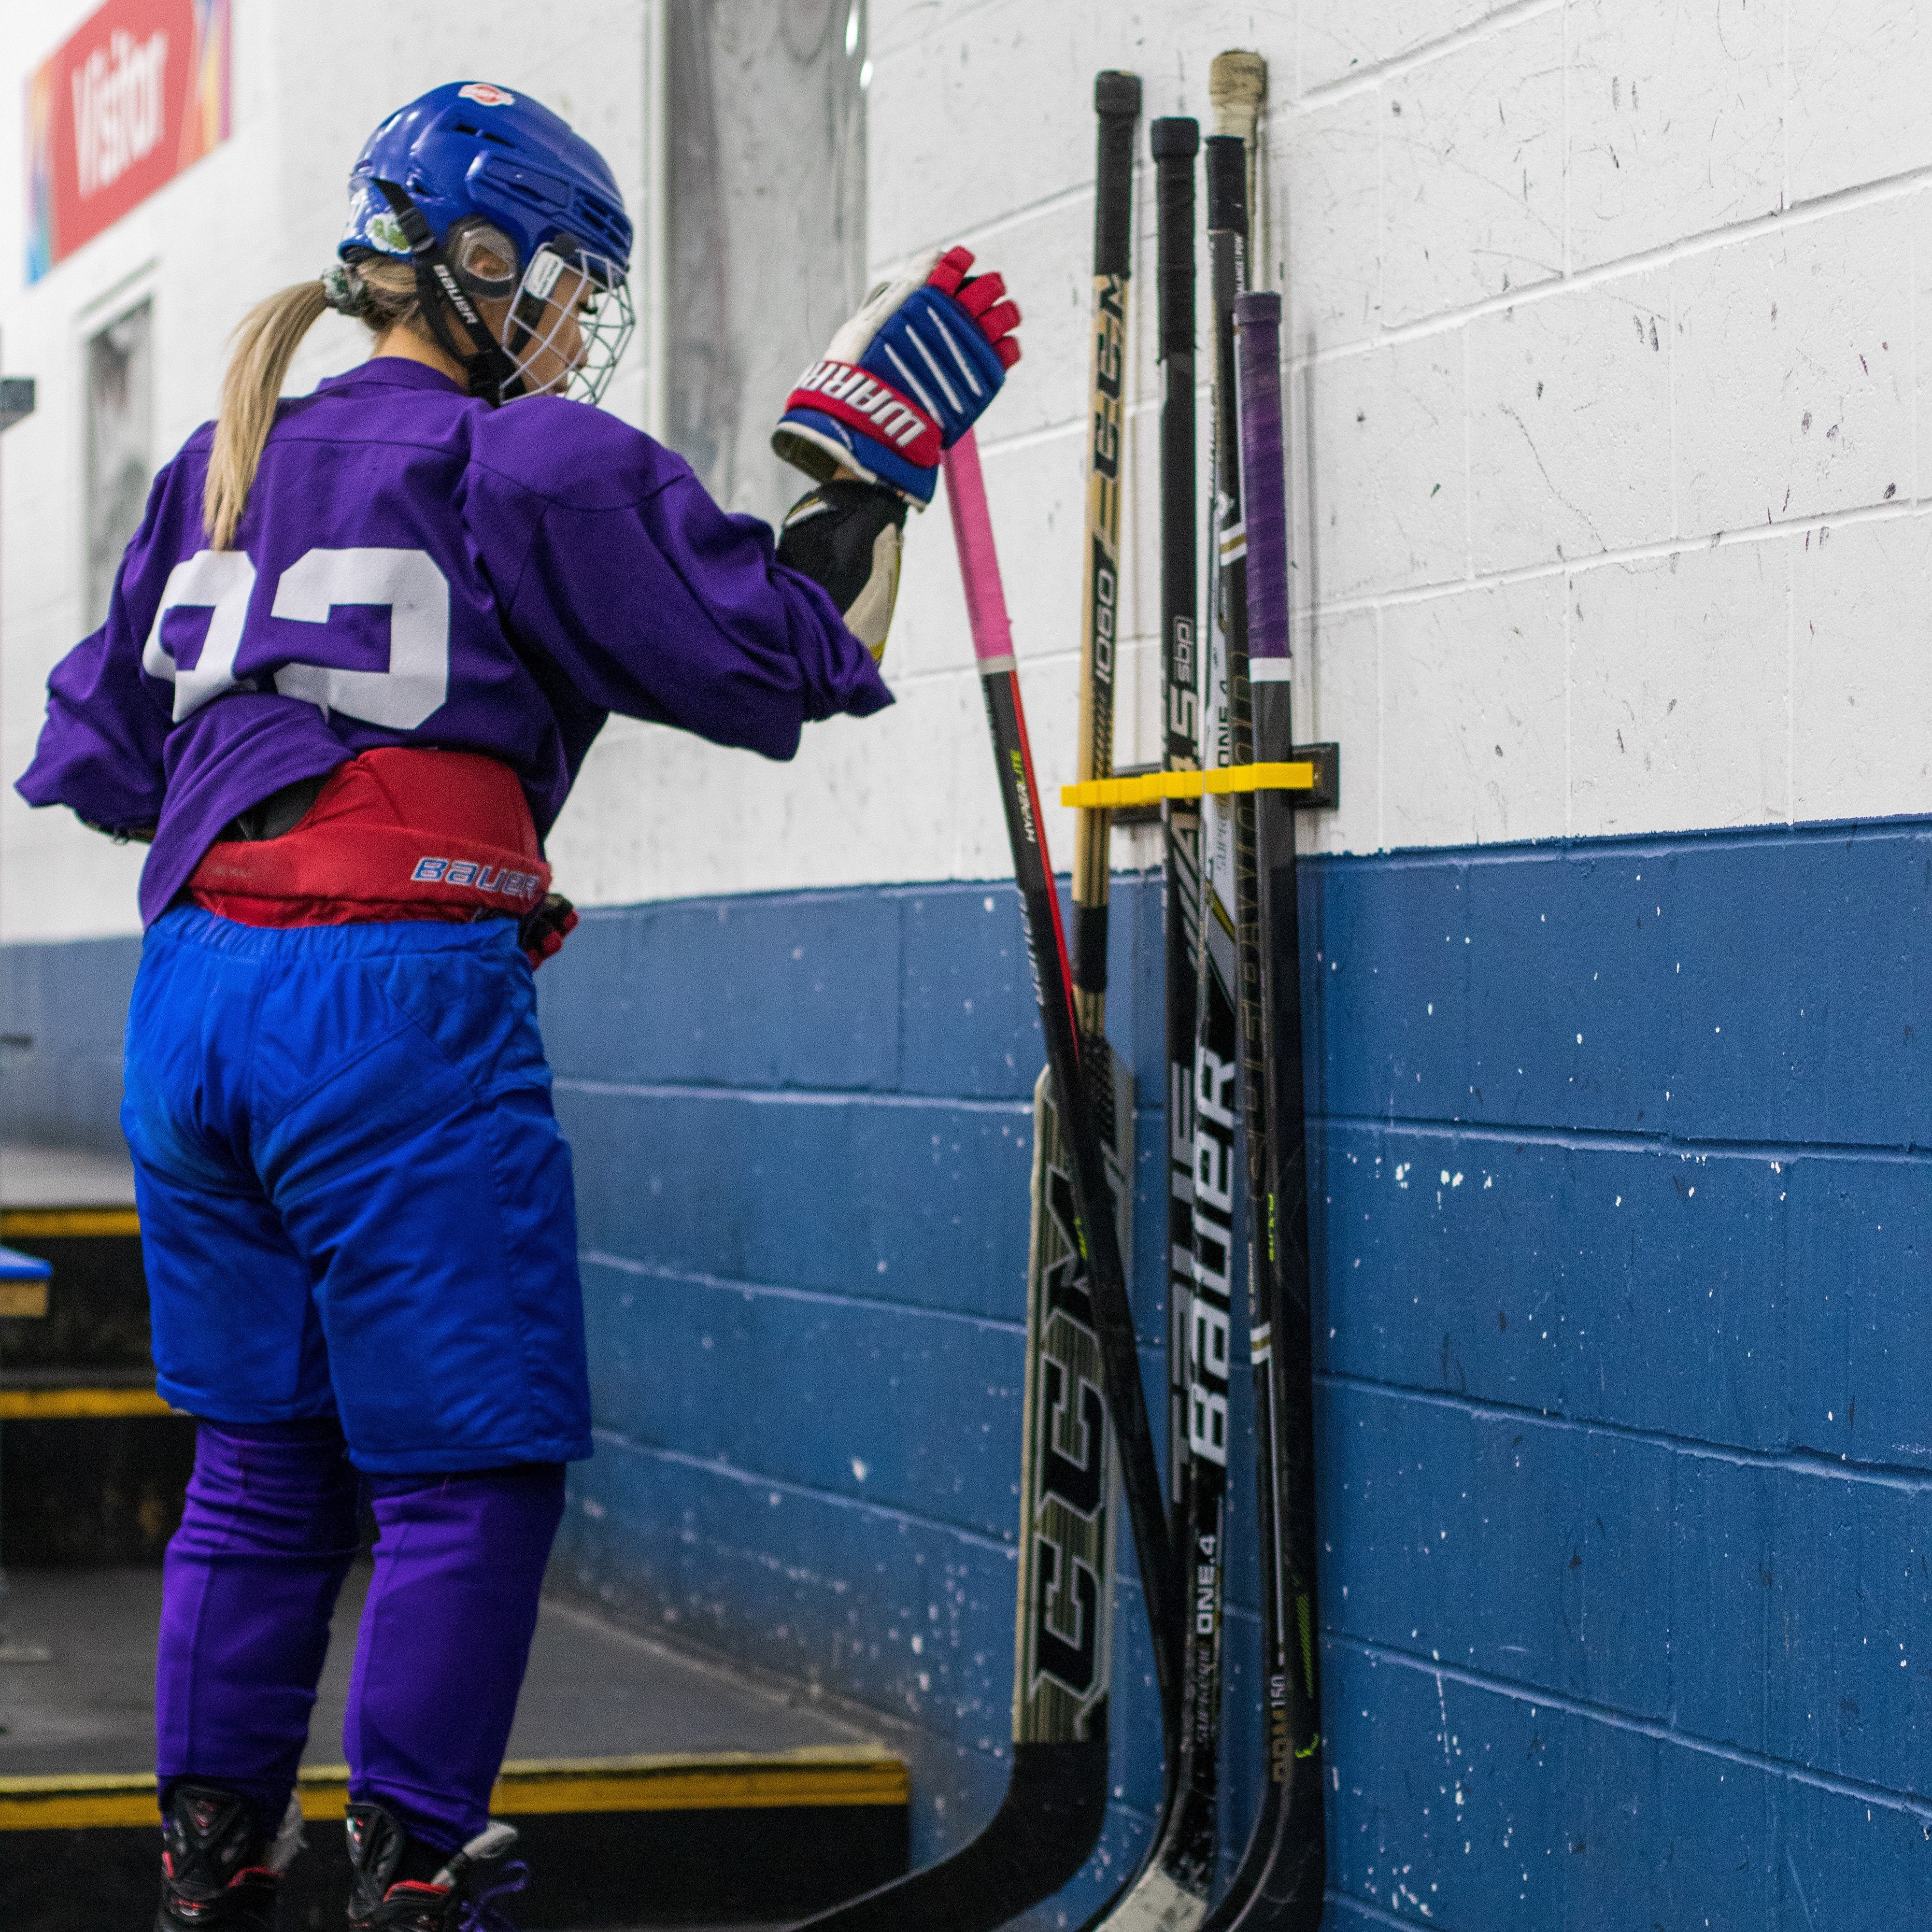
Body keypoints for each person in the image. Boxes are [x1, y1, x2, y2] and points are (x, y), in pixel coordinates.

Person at [15, 81, 1019, 1932]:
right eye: (563, 288)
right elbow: (795, 664)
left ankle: (212, 1872)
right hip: (387, 1005)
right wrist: (863, 487)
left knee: (259, 1466)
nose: (572, 332)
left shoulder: (220, 459)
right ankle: (411, 1886)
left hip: (192, 1002)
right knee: (467, 1471)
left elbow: (95, 758)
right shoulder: (533, 461)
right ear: (485, 267)